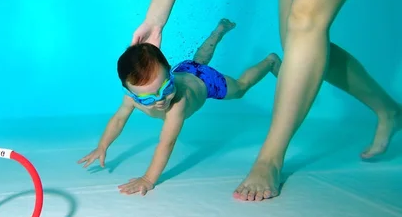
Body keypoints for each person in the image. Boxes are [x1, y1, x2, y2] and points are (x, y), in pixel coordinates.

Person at [130, 0, 402, 202]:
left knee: (306, 20)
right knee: (296, 40)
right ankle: (389, 110)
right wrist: (155, 21)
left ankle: (270, 159)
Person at [78, 18, 282, 195]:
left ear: (169, 73)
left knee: (240, 89)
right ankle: (218, 32)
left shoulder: (178, 105)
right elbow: (118, 119)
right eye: (148, 99)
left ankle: (270, 62)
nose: (160, 100)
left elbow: (166, 144)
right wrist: (102, 146)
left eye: (166, 88)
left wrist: (148, 179)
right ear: (131, 94)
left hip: (206, 82)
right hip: (185, 70)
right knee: (198, 61)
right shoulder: (132, 98)